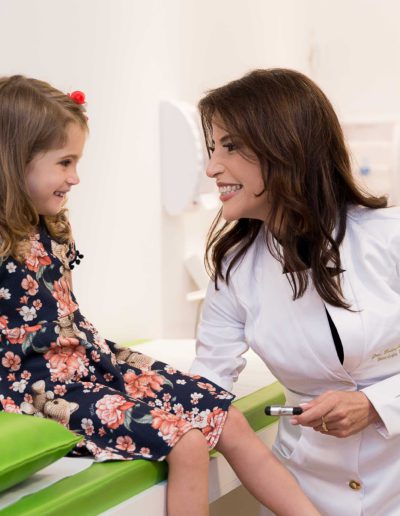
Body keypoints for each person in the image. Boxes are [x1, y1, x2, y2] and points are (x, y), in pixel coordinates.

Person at [0, 75, 318, 516]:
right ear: (15, 161)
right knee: (186, 443)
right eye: (64, 162)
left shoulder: (51, 225)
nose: (75, 178)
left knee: (226, 416)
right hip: (38, 386)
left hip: (94, 360)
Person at [191, 68, 400, 516]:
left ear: (284, 147)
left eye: (229, 146)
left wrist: (376, 405)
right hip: (305, 496)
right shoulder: (235, 269)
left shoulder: (388, 237)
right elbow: (208, 387)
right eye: (211, 148)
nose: (211, 168)